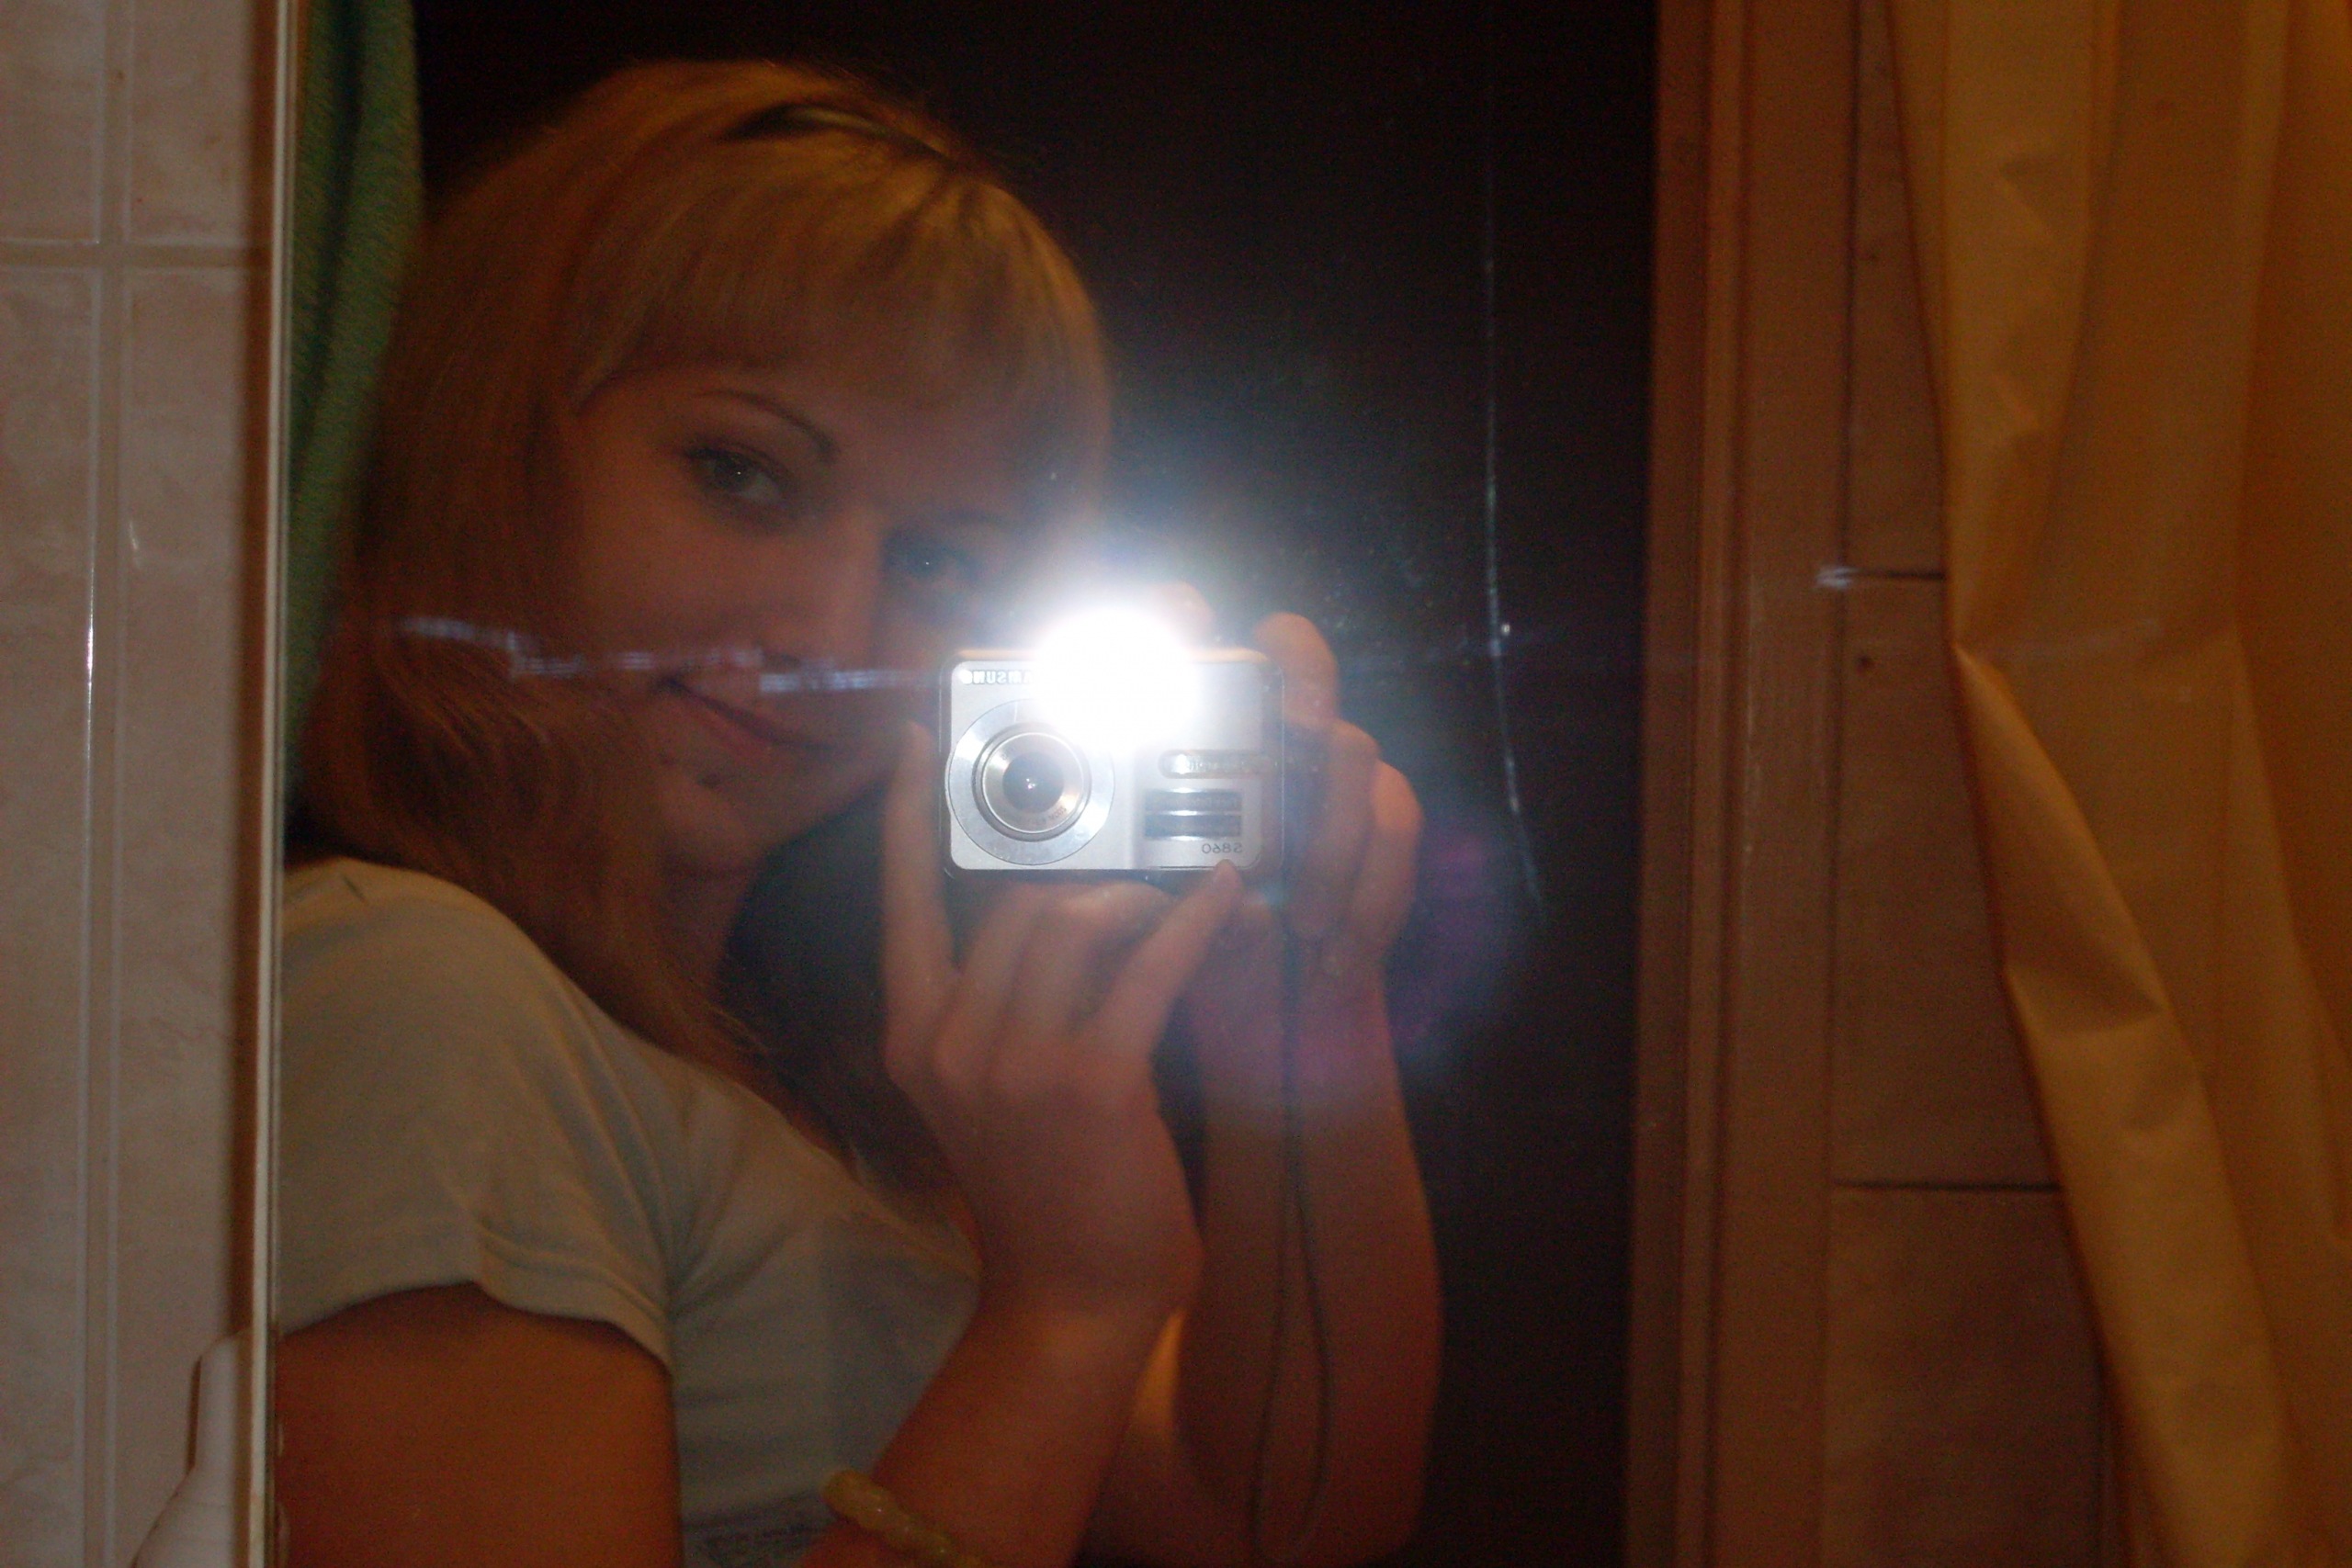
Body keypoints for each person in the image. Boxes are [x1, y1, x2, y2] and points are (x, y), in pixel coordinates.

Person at [274, 60, 1440, 1568]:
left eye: (942, 564)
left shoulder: (812, 1085)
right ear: (495, 444)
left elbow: (1277, 1509)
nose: (832, 629)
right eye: (740, 473)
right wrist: (1065, 1312)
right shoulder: (418, 992)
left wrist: (1303, 1006)